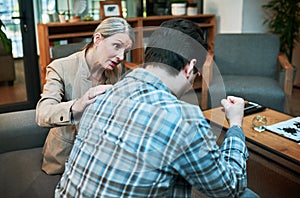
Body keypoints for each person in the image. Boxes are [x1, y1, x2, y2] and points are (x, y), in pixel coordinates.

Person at [55, 18, 251, 197]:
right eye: (197, 73)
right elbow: (230, 187)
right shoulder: (184, 118)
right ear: (190, 67)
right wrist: (235, 125)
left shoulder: (101, 95)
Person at [36, 17, 135, 175]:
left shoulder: (116, 70)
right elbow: (42, 113)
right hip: (66, 156)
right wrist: (79, 105)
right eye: (116, 46)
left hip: (101, 154)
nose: (121, 57)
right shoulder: (59, 68)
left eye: (126, 51)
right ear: (97, 39)